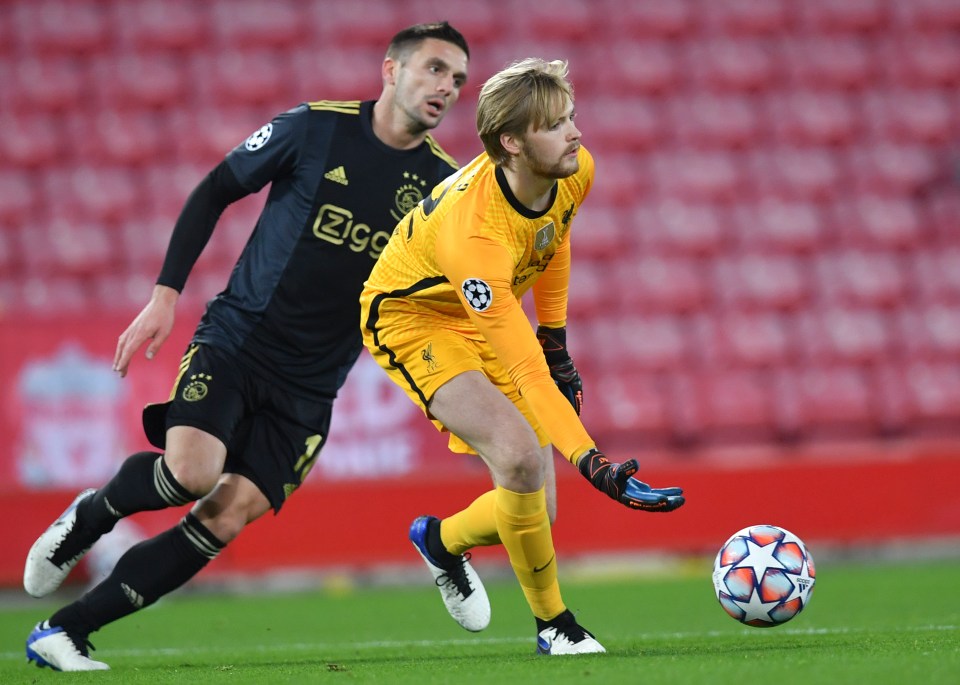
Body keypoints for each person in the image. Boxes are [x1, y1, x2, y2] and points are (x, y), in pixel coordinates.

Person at [23, 22, 471, 672]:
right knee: (191, 473)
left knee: (224, 518)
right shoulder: (315, 127)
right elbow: (216, 190)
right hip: (239, 341)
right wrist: (166, 294)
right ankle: (94, 512)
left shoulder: (442, 187)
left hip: (312, 386)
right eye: (434, 69)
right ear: (391, 70)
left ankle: (65, 632)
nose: (446, 87)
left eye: (457, 79)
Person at [360, 58, 685, 656]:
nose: (576, 134)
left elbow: (551, 238)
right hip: (414, 318)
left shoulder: (574, 169)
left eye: (572, 117)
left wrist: (555, 338)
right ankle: (555, 626)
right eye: (555, 124)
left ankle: (439, 540)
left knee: (538, 503)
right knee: (517, 459)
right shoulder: (475, 237)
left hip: (486, 305)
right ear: (510, 143)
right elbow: (526, 372)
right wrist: (595, 464)